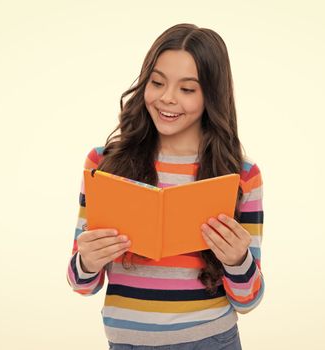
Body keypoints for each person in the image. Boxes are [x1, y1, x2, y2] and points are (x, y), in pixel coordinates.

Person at [66, 23, 265, 349]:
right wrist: (87, 260)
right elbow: (81, 283)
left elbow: (248, 299)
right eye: (157, 83)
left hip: (210, 340)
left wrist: (236, 259)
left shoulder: (240, 175)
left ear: (210, 96)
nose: (167, 98)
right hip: (127, 342)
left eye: (187, 89)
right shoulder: (103, 164)